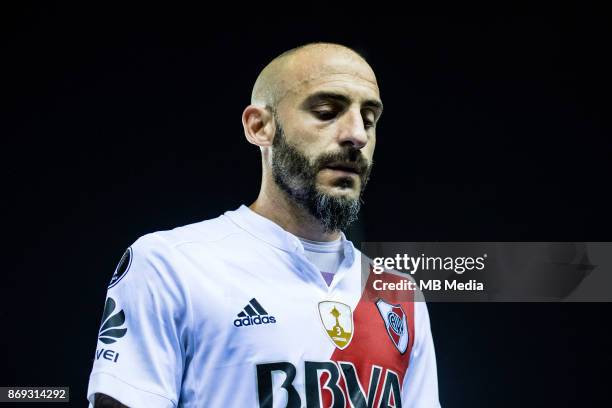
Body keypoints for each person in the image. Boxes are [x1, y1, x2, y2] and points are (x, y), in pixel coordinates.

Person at [87, 42, 440, 407]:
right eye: (326, 112)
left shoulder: (399, 293)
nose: (358, 135)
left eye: (369, 119)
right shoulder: (170, 264)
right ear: (260, 127)